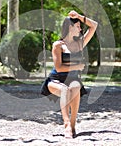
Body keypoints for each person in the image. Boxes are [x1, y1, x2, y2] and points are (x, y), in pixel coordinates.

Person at [41, 10, 98, 138]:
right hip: (55, 80)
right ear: (70, 27)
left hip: (72, 79)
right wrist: (77, 66)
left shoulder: (79, 44)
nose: (80, 29)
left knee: (76, 87)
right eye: (78, 26)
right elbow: (59, 68)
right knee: (66, 90)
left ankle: (73, 125)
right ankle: (66, 124)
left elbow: (94, 25)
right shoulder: (58, 45)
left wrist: (79, 17)